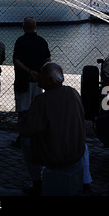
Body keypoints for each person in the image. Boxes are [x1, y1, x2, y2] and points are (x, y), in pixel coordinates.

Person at [19, 62, 89, 196]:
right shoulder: (73, 92)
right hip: (76, 152)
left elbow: (26, 130)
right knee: (85, 146)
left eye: (41, 76)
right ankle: (86, 182)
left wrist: (24, 117)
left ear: (48, 81)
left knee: (25, 141)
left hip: (54, 155)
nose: (38, 78)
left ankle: (37, 183)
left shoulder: (41, 100)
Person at [12, 17, 51, 147]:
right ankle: (36, 136)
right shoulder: (42, 41)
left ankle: (22, 137)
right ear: (36, 27)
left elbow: (16, 60)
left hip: (23, 80)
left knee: (23, 111)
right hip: (39, 81)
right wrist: (39, 74)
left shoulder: (20, 41)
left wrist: (29, 71)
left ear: (23, 28)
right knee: (37, 110)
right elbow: (48, 60)